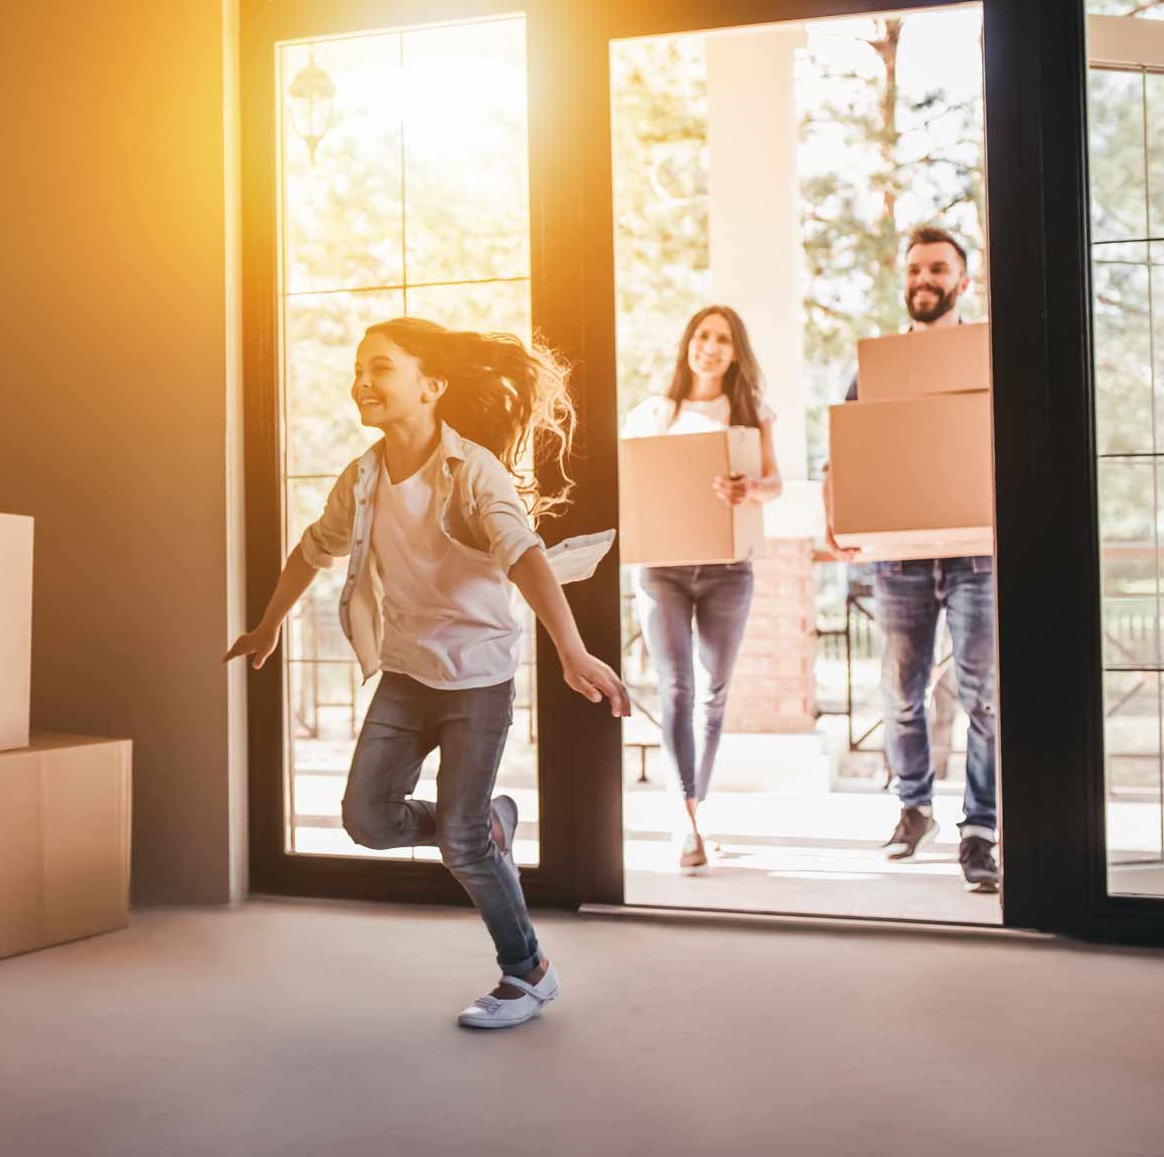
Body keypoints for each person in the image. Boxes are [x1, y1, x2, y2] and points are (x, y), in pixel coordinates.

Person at [225, 317, 630, 1030]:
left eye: (380, 367)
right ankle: (480, 825)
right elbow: (311, 549)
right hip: (408, 675)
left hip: (478, 678)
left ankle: (527, 970)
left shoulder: (473, 470)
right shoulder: (363, 476)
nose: (363, 380)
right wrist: (269, 624)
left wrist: (570, 648)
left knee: (461, 845)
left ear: (431, 386)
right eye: (358, 368)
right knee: (366, 819)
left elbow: (526, 555)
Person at [824, 226, 1001, 894]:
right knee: (901, 692)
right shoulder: (877, 366)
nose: (924, 278)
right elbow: (843, 450)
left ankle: (980, 828)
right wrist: (837, 519)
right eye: (915, 269)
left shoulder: (984, 356)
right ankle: (913, 807)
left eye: (938, 268)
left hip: (975, 553)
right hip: (897, 558)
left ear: (962, 279)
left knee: (984, 696)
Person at [623, 305, 783, 872]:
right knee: (676, 688)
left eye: (722, 339)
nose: (709, 346)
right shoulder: (653, 413)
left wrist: (750, 488)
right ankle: (684, 816)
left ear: (735, 351)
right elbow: (632, 482)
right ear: (687, 344)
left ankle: (695, 808)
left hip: (727, 570)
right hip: (662, 570)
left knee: (713, 694)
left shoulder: (750, 411)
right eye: (701, 336)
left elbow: (774, 483)